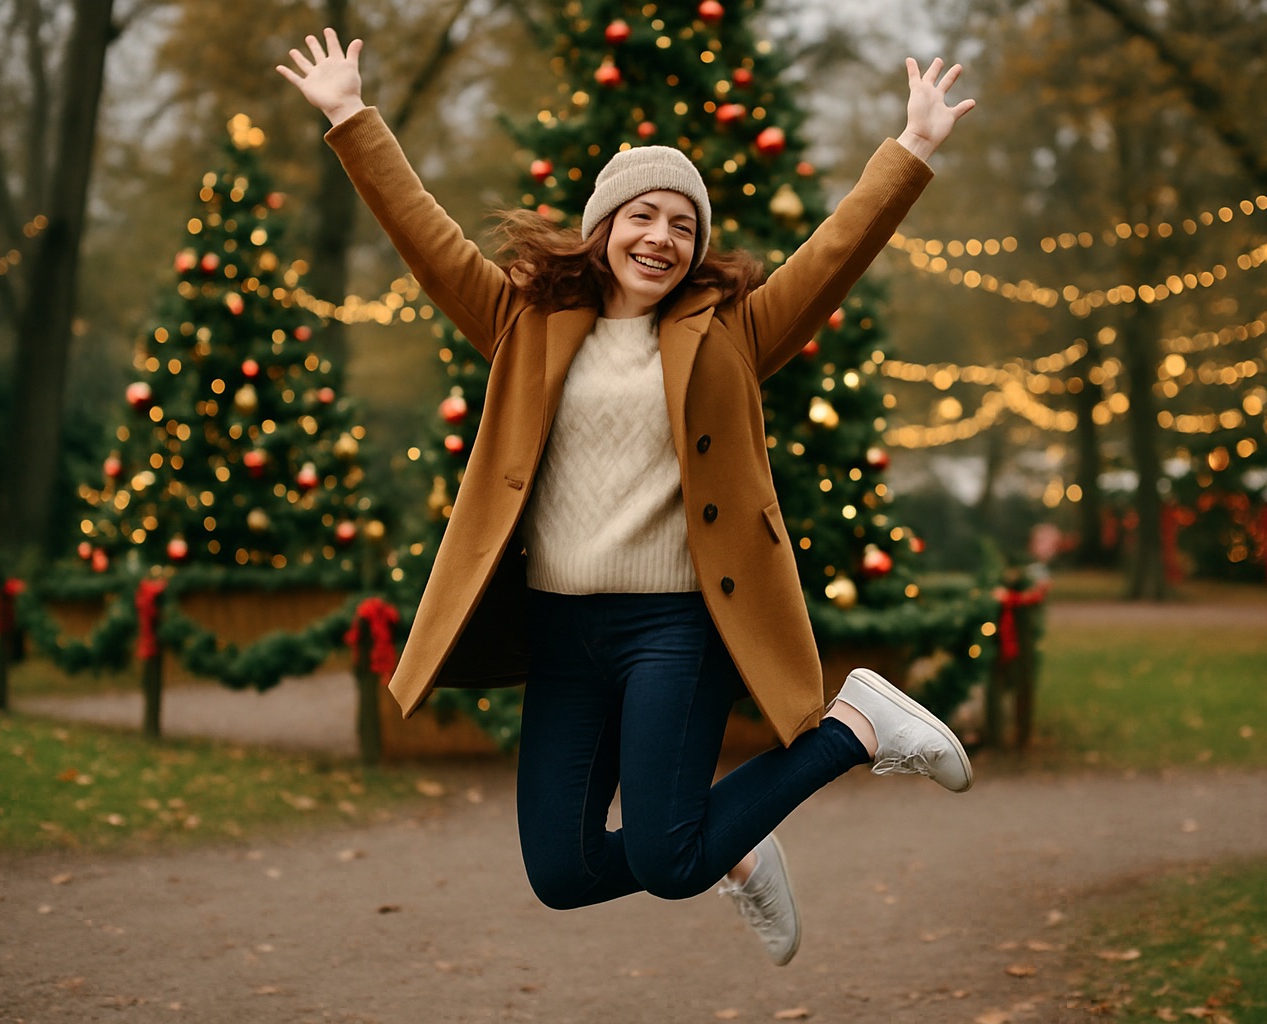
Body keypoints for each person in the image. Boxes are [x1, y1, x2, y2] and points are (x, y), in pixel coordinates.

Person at [278, 28, 976, 967]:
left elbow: (832, 255)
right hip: (564, 633)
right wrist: (351, 116)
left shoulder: (731, 331)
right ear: (603, 227)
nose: (662, 239)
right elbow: (426, 236)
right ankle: (741, 842)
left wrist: (912, 150)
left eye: (683, 227)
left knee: (668, 853)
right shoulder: (524, 320)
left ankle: (856, 726)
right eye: (643, 217)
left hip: (675, 629)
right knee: (561, 873)